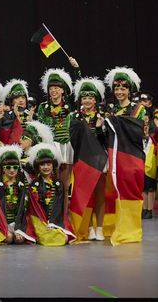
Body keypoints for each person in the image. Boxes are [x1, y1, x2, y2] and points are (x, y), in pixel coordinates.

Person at [71, 77, 108, 239]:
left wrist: (99, 129)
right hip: (82, 159)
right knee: (86, 194)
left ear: (95, 100)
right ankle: (88, 227)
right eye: (84, 97)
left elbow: (106, 141)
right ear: (80, 100)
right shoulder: (75, 117)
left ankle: (99, 227)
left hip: (99, 158)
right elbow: (73, 140)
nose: (87, 101)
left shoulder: (103, 116)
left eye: (90, 98)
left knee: (99, 195)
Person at [27, 142, 74, 245]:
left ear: (53, 166)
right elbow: (35, 208)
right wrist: (44, 222)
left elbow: (58, 206)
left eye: (48, 164)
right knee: (55, 238)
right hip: (39, 220)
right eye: (42, 164)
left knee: (65, 238)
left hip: (56, 220)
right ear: (38, 166)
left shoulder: (58, 184)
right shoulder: (34, 185)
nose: (46, 167)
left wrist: (53, 223)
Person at [36, 68, 74, 194]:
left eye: (56, 88)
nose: (53, 91)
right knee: (51, 183)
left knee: (64, 185)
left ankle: (64, 207)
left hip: (67, 147)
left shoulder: (70, 105)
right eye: (51, 88)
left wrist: (76, 69)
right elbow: (41, 128)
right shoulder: (43, 107)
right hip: (51, 146)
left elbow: (78, 88)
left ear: (63, 90)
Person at [0, 145, 30, 244]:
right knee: (9, 238)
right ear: (2, 169)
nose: (12, 170)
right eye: (8, 167)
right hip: (2, 223)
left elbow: (24, 209)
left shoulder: (22, 186)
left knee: (19, 240)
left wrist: (19, 228)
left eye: (15, 167)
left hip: (18, 223)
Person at [0, 79, 30, 145]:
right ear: (11, 101)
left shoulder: (31, 115)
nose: (21, 100)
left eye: (23, 98)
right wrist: (15, 116)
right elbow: (4, 137)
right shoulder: (5, 116)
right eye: (17, 98)